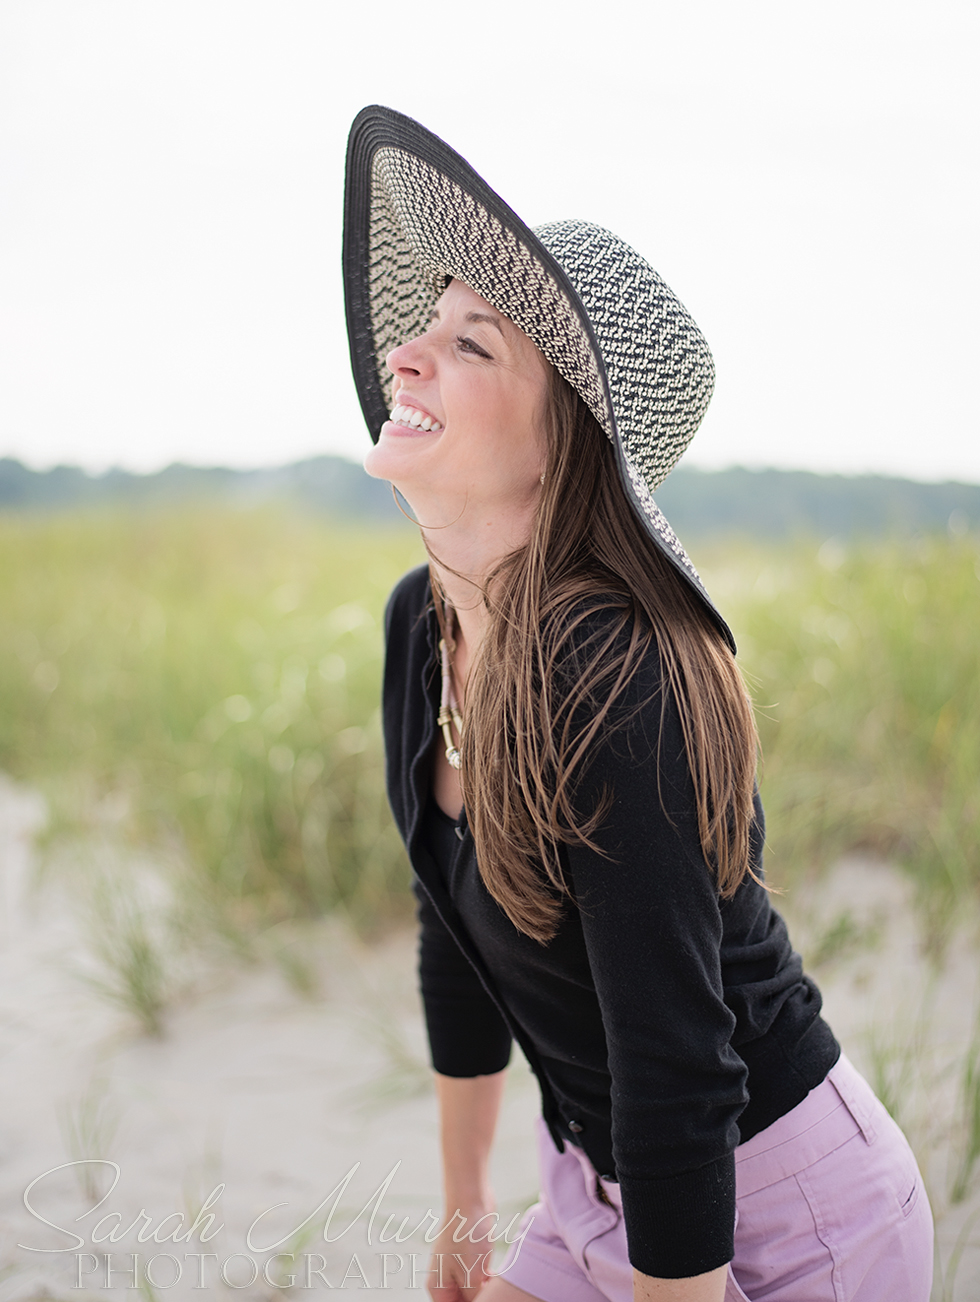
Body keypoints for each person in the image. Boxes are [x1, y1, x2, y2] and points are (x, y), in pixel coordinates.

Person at [342, 107, 934, 1302]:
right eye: (426, 323)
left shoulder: (619, 677)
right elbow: (452, 940)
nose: (405, 352)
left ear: (563, 443)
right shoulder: (426, 625)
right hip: (595, 1188)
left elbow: (673, 1065)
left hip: (778, 1210)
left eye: (472, 343)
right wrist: (464, 1206)